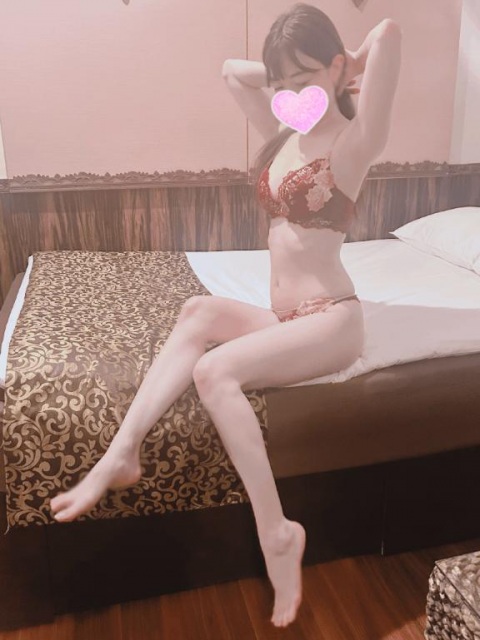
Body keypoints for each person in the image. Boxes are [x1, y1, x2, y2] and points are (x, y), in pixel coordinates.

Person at [50, 2, 402, 629]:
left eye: (304, 79)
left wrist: (349, 62)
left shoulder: (357, 141)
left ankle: (277, 532)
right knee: (197, 311)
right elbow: (232, 72)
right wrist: (293, 77)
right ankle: (121, 452)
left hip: (332, 318)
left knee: (215, 373)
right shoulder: (286, 132)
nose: (290, 93)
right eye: (283, 84)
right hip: (288, 317)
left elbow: (390, 32)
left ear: (337, 68)